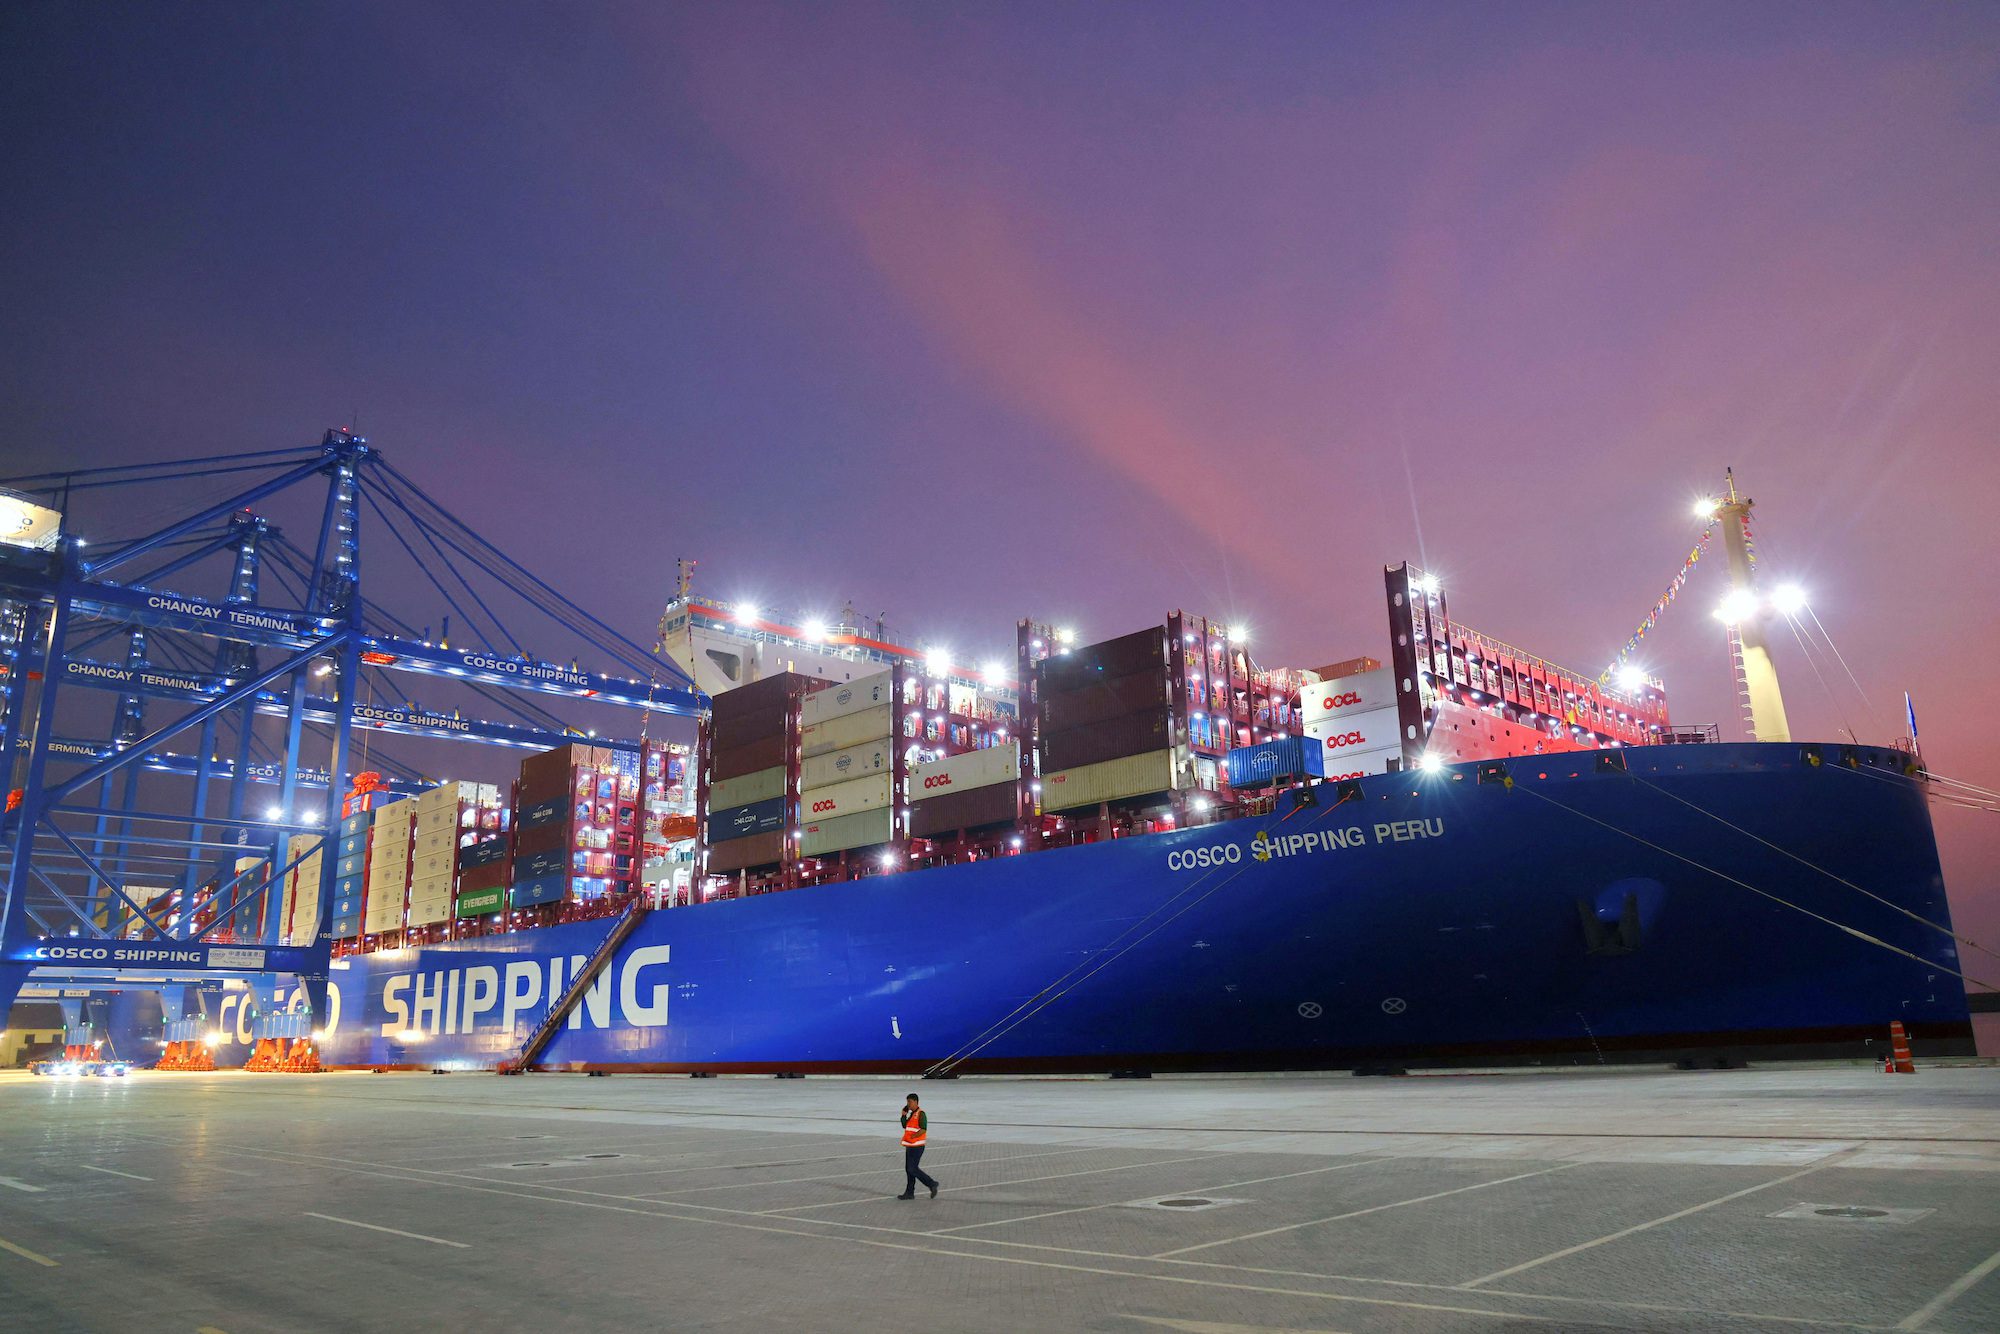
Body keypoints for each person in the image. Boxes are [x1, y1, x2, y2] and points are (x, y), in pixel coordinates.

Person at [897, 1092, 939, 1200]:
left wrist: (913, 1136)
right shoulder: (912, 1114)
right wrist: (903, 1115)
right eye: (907, 1102)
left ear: (916, 1102)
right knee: (909, 1169)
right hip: (910, 1146)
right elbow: (905, 1125)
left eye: (910, 1102)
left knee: (912, 1169)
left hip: (917, 1147)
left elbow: (923, 1129)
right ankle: (909, 1193)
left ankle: (932, 1183)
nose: (908, 1104)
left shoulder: (921, 1114)